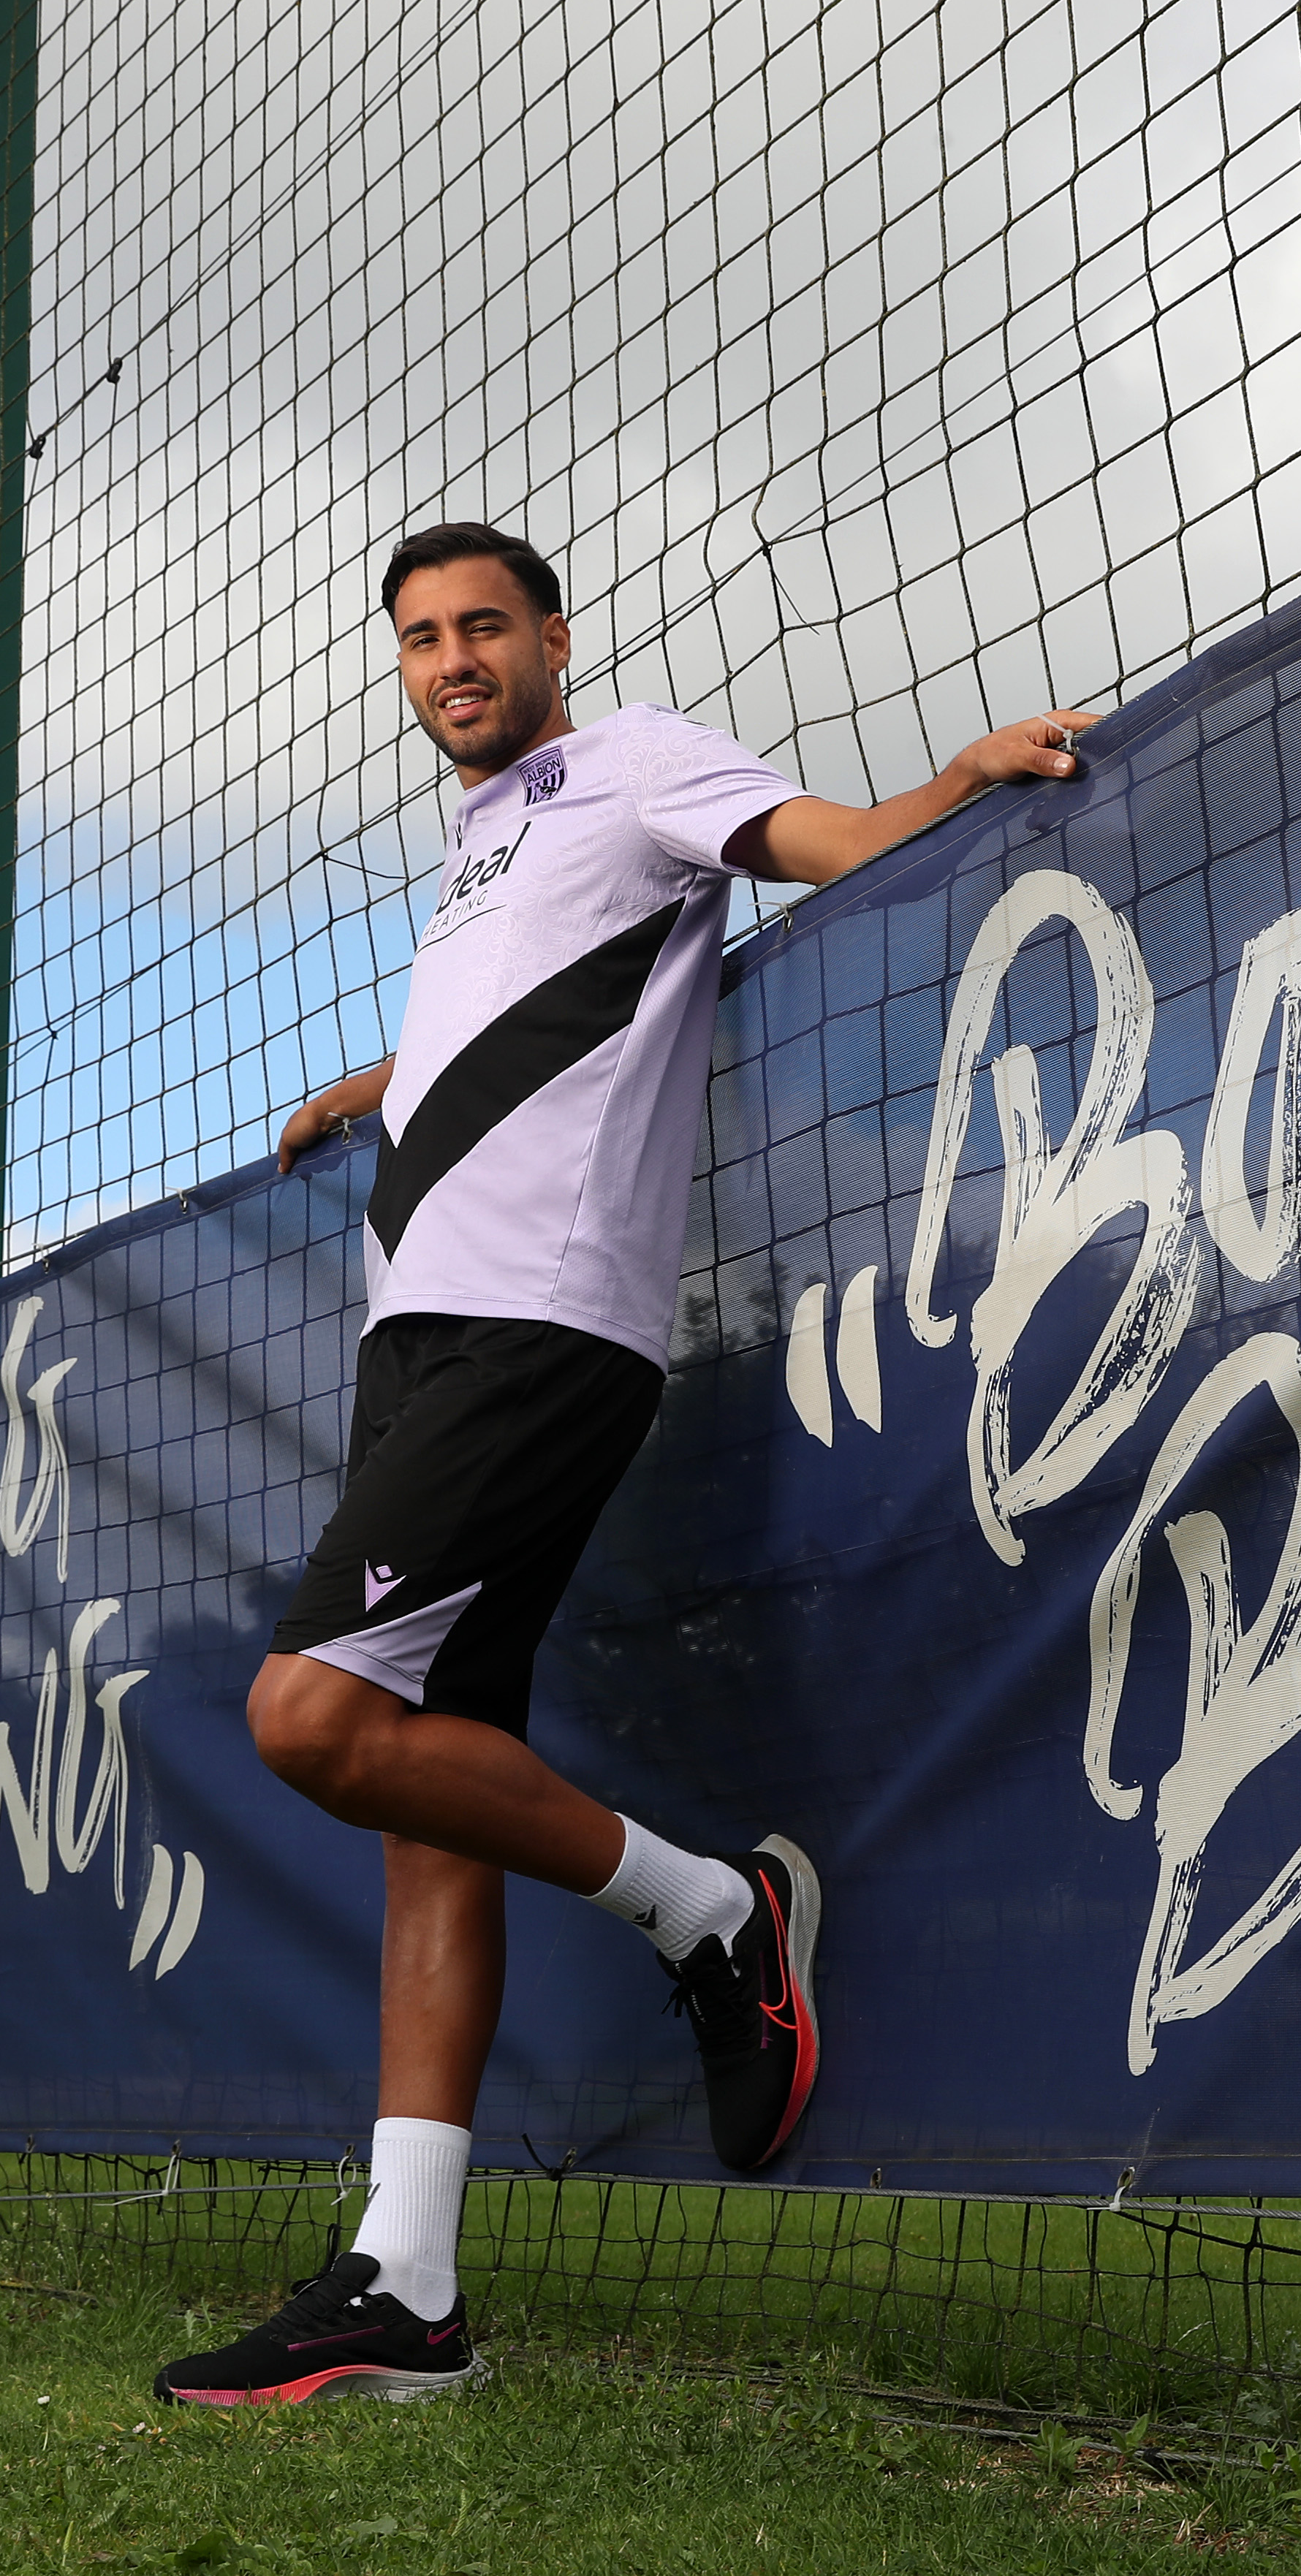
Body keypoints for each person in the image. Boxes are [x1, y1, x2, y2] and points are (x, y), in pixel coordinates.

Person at [153, 523, 1093, 2405]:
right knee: (426, 1793)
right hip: (416, 1336)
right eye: (418, 639)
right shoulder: (470, 848)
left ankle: (712, 1911)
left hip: (540, 1331)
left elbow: (825, 848)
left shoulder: (636, 759)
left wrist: (957, 777)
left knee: (309, 1719)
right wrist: (385, 1090)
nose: (450, 663)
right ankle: (406, 2290)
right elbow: (532, 1024)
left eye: (481, 627)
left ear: (550, 638)